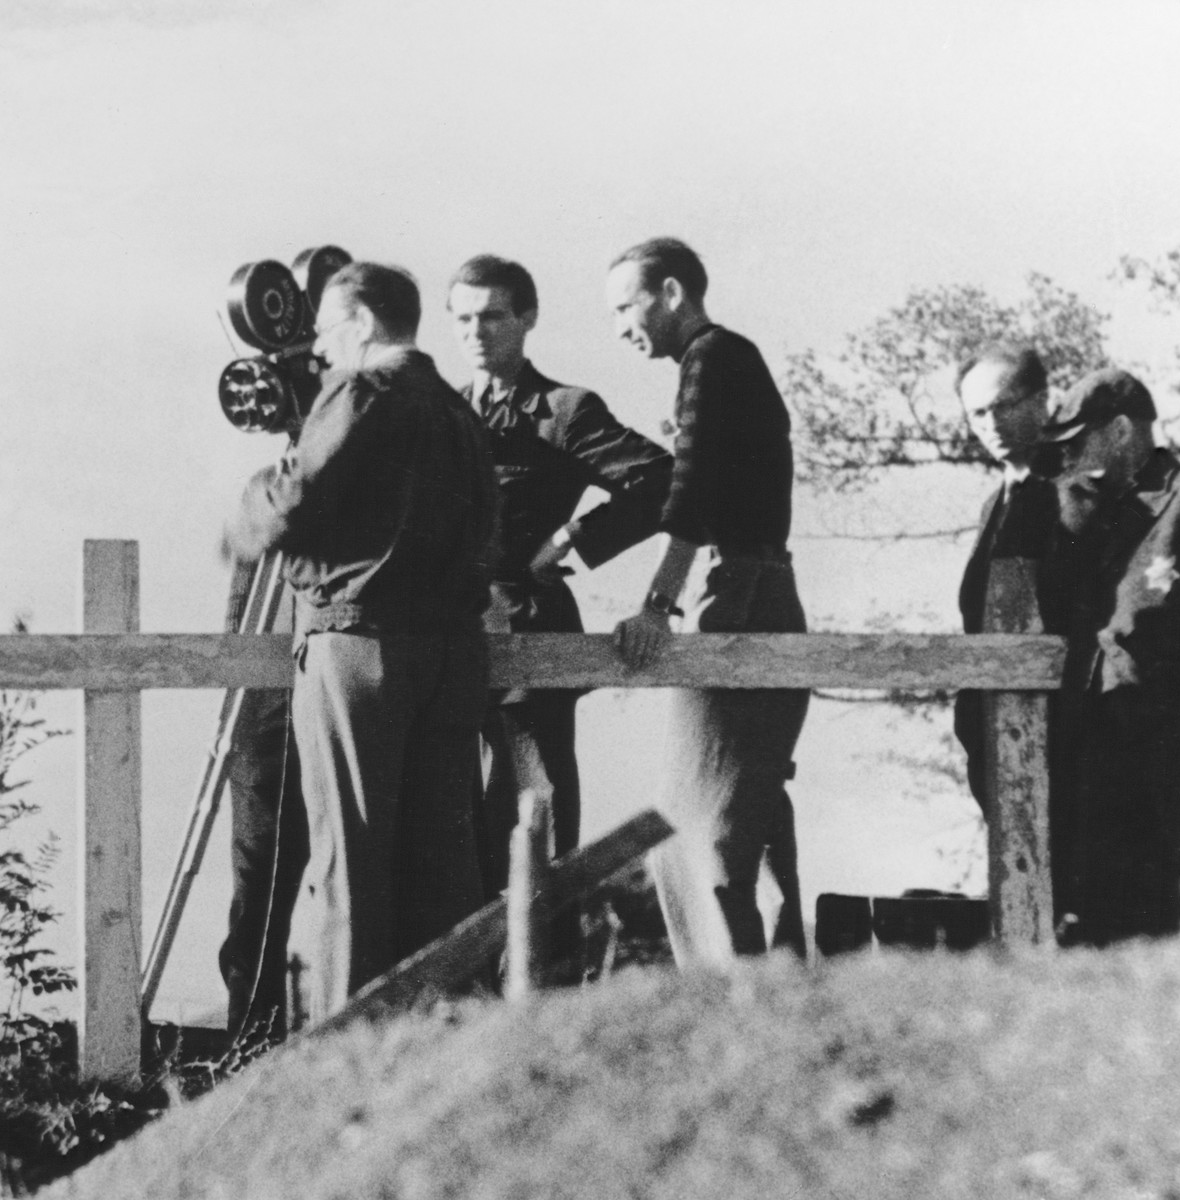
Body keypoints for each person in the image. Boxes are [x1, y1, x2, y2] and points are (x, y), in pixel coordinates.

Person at [223, 261, 498, 1022]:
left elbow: (291, 508)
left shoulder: (359, 392)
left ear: (362, 322)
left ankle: (344, 1054)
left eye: (325, 329)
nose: (319, 348)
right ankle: (445, 1048)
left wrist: (252, 499)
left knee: (349, 863)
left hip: (361, 646)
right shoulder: (459, 411)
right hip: (453, 657)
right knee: (443, 872)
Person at [605, 237, 810, 966]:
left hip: (743, 593)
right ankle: (776, 987)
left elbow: (691, 492)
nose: (621, 325)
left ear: (669, 294)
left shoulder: (711, 358)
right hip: (757, 589)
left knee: (694, 830)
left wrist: (657, 604)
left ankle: (733, 1001)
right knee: (739, 813)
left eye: (626, 304)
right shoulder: (722, 362)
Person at [445, 254, 675, 904]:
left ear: (526, 318)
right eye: (462, 319)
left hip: (528, 647)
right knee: (453, 837)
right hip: (444, 651)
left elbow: (663, 481)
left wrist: (575, 536)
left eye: (492, 316)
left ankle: (543, 990)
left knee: (533, 824)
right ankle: (468, 1002)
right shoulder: (438, 413)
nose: (477, 332)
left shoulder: (563, 410)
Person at [1043, 367, 1180, 945]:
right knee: (1126, 927)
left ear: (1119, 429)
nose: (1074, 458)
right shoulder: (1099, 513)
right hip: (1113, 754)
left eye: (1079, 442)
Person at [953, 345, 1066, 815]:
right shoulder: (993, 506)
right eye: (978, 412)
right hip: (996, 727)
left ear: (1042, 400)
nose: (991, 423)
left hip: (1064, 725)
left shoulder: (1074, 490)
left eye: (1004, 405)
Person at [214, 556, 307, 1042]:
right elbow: (239, 608)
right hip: (266, 694)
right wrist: (232, 699)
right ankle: (251, 1038)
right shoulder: (273, 490)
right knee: (260, 876)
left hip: (346, 677)